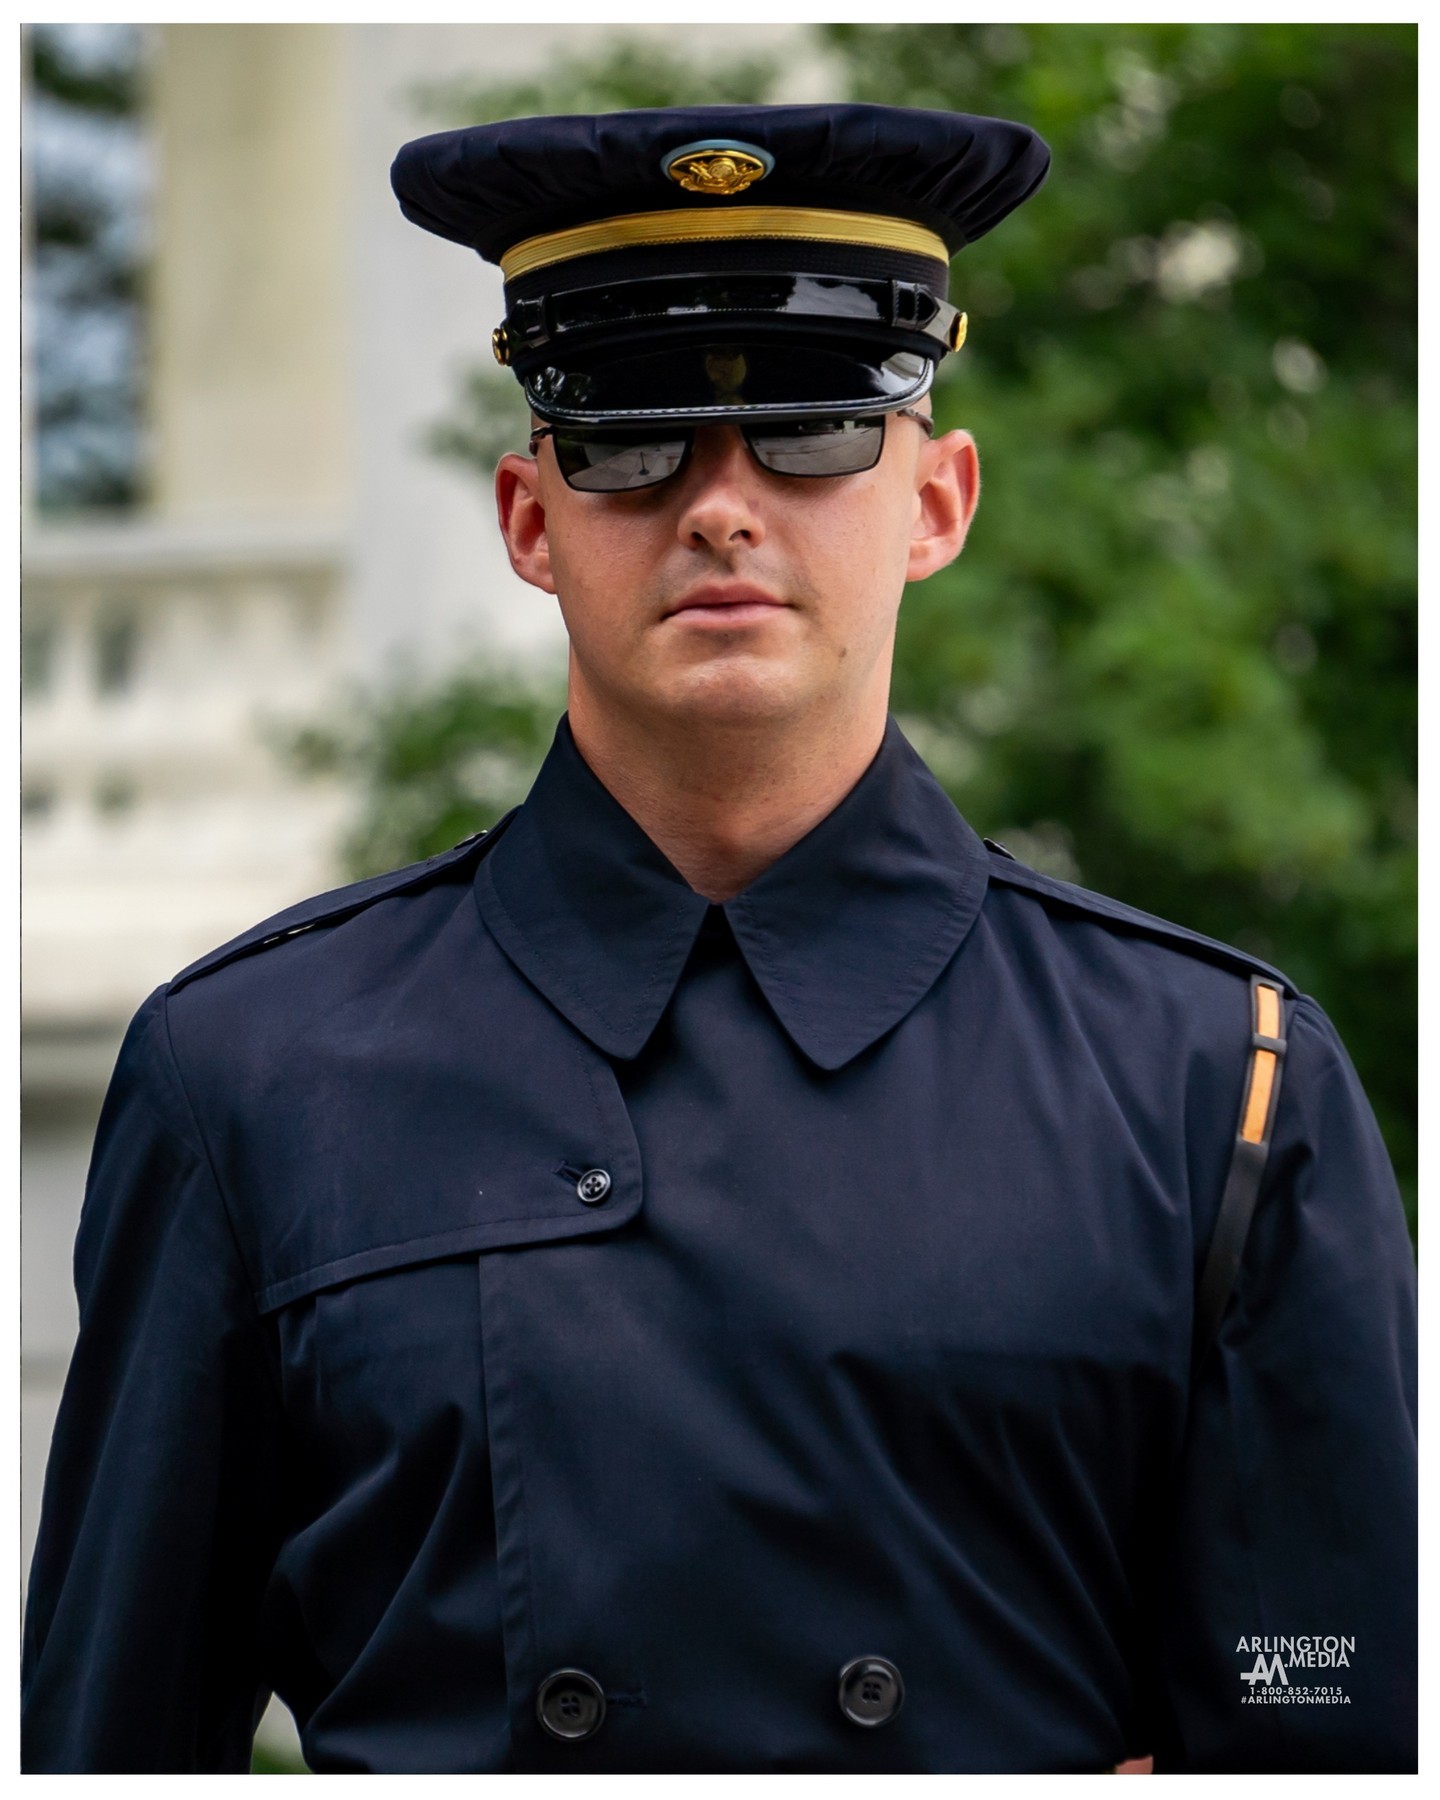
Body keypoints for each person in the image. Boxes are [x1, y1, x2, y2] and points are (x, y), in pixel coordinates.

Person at [22, 103, 1415, 1775]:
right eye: (629, 437)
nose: (724, 505)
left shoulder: (1220, 1087)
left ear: (940, 502)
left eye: (822, 426)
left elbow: (1328, 1736)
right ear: (531, 518)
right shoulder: (252, 1076)